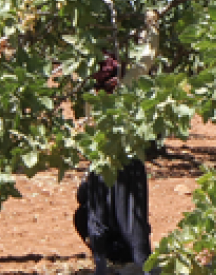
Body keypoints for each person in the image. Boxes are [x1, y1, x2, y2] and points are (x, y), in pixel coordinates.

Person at [72, 54, 152, 275]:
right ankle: (127, 265)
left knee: (110, 221)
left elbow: (147, 55)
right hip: (116, 163)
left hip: (113, 163)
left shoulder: (98, 93)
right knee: (122, 221)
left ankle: (110, 265)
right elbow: (148, 56)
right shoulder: (116, 88)